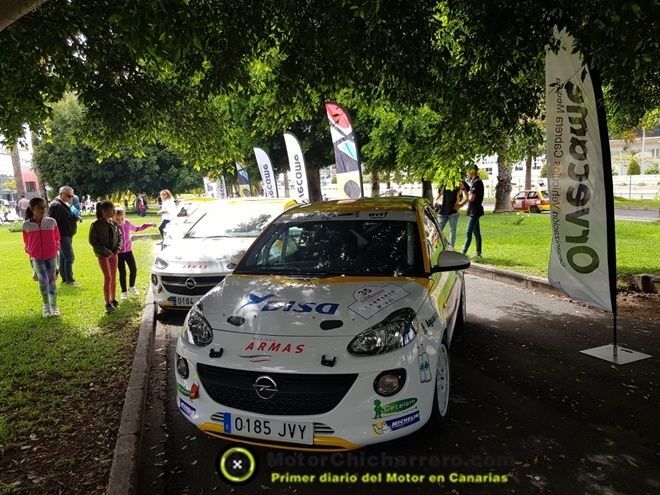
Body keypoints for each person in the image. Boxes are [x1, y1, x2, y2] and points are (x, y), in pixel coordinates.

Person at [22, 197, 61, 317]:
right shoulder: (26, 225)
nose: (43, 209)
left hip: (51, 256)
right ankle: (46, 306)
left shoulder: (51, 222)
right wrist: (30, 251)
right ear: (32, 209)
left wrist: (56, 248)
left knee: (52, 281)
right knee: (43, 281)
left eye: (44, 206)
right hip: (37, 258)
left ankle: (54, 306)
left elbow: (57, 237)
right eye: (39, 207)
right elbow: (26, 241)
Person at [114, 206, 156, 300]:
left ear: (124, 217)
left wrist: (148, 224)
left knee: (133, 269)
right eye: (117, 219)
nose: (120, 221)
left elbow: (137, 229)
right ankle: (124, 292)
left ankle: (131, 287)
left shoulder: (127, 223)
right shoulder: (113, 226)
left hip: (128, 251)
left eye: (122, 219)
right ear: (114, 218)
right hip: (119, 253)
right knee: (122, 272)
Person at [89, 200, 123, 314]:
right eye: (112, 210)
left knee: (113, 277)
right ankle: (107, 302)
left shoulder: (114, 223)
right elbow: (93, 241)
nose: (114, 212)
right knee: (107, 277)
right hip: (103, 255)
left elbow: (120, 237)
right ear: (104, 211)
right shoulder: (96, 225)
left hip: (114, 254)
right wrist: (106, 251)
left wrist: (117, 250)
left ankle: (113, 299)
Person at [49, 186, 80, 286]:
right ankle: (69, 280)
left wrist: (74, 218)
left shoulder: (64, 203)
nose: (70, 198)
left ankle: (65, 278)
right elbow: (52, 222)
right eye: (68, 196)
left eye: (72, 196)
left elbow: (64, 218)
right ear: (61, 194)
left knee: (63, 258)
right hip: (62, 235)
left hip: (67, 235)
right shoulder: (56, 205)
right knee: (70, 257)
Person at [461, 165, 485, 260]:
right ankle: (478, 253)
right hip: (473, 211)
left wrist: (467, 192)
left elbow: (471, 198)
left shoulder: (477, 183)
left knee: (468, 232)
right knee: (476, 233)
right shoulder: (474, 182)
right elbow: (470, 194)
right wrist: (465, 188)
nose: (467, 174)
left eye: (468, 171)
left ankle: (463, 253)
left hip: (475, 211)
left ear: (472, 171)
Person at [434, 181, 468, 248]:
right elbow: (439, 194)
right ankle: (434, 246)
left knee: (452, 231)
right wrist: (435, 201)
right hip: (443, 211)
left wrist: (461, 205)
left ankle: (451, 248)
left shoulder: (459, 183)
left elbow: (467, 197)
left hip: (453, 212)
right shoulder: (445, 183)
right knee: (438, 230)